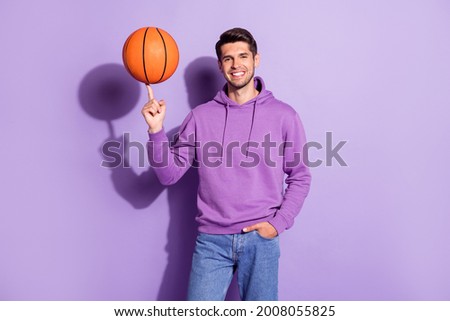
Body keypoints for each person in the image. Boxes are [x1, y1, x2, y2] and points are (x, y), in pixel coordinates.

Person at [141, 27, 311, 301]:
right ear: (220, 66)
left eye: (243, 56)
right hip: (211, 241)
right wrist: (156, 130)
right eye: (228, 58)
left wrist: (278, 223)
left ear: (256, 59)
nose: (236, 65)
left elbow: (300, 175)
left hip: (261, 240)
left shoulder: (284, 115)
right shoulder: (200, 117)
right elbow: (169, 175)